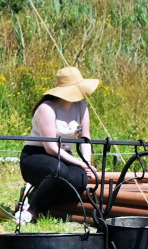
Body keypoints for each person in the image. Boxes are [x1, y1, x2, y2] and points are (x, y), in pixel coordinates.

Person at [18, 66, 98, 222]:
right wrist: (81, 163)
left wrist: (87, 163)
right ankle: (30, 212)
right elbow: (51, 148)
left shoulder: (81, 106)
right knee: (59, 171)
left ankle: (42, 202)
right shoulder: (46, 108)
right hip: (36, 156)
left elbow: (85, 137)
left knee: (80, 179)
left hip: (65, 157)